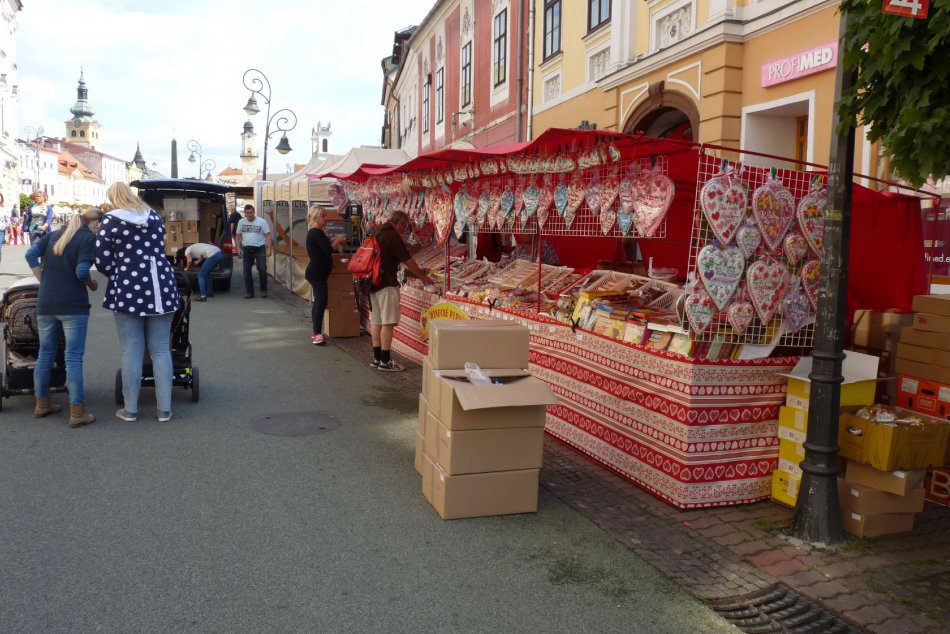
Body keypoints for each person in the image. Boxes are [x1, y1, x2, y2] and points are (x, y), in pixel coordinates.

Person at [96, 181, 181, 423]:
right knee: (160, 349)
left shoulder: (110, 221)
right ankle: (164, 409)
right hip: (160, 286)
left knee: (131, 350)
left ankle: (130, 409)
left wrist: (120, 271)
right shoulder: (153, 216)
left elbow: (102, 261)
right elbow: (160, 247)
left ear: (113, 198)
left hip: (127, 288)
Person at [25, 208, 102, 427]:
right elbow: (81, 272)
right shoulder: (87, 238)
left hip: (46, 303)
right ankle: (77, 412)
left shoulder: (56, 234)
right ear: (95, 223)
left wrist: (43, 279)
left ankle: (41, 404)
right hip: (73, 305)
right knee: (73, 357)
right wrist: (91, 283)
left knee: (45, 353)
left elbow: (30, 254)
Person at [370, 210, 433, 371]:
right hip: (386, 283)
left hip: (373, 283)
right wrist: (422, 277)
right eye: (405, 226)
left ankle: (377, 359)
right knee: (388, 322)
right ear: (400, 223)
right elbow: (407, 260)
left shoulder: (379, 233)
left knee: (376, 321)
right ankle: (385, 361)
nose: (405, 231)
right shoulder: (392, 236)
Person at [305, 205, 347, 345]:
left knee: (318, 302)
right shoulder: (316, 232)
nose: (327, 218)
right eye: (324, 216)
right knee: (321, 303)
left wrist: (334, 239)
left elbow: (324, 244)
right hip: (317, 273)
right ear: (317, 217)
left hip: (317, 273)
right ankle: (317, 333)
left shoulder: (316, 232)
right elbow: (327, 249)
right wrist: (338, 241)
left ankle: (316, 332)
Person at [234, 204, 272, 299]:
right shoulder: (241, 222)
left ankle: (263, 290)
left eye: (251, 212)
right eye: (247, 213)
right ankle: (250, 292)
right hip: (247, 249)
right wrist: (237, 248)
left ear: (254, 212)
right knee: (246, 271)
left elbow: (268, 235)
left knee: (262, 269)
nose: (250, 215)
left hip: (260, 249)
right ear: (245, 214)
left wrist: (269, 249)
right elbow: (238, 236)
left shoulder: (261, 221)